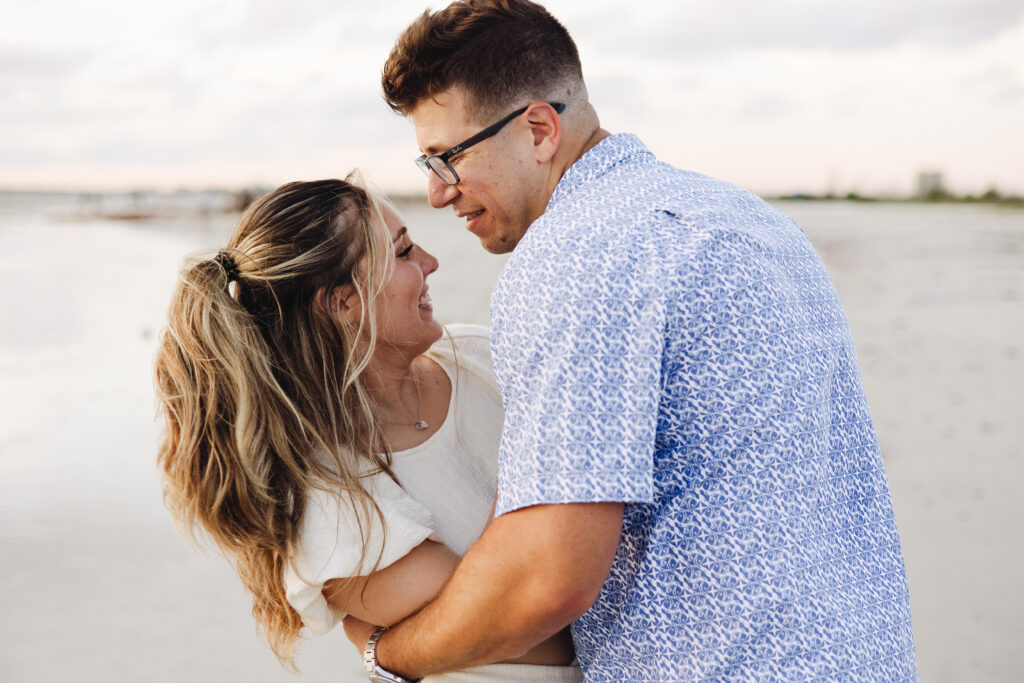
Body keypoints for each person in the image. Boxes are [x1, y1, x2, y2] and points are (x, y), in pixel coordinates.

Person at [342, 1, 919, 681]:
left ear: (537, 130)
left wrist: (390, 653)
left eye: (447, 159)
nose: (439, 194)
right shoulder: (753, 220)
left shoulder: (571, 257)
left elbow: (547, 578)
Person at [154, 177, 583, 682]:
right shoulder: (328, 500)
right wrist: (544, 417)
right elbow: (528, 625)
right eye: (403, 252)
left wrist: (380, 646)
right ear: (341, 303)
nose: (430, 261)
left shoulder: (479, 356)